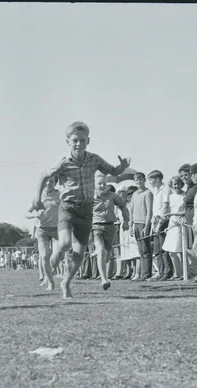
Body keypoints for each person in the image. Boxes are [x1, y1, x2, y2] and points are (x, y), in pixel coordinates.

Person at [33, 121, 131, 298]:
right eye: (75, 140)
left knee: (79, 253)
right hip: (68, 207)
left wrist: (122, 167)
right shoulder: (63, 163)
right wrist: (36, 198)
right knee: (64, 243)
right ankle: (55, 257)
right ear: (68, 142)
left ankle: (66, 282)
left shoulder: (94, 159)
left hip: (86, 210)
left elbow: (113, 171)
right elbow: (43, 175)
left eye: (82, 140)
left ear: (88, 141)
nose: (79, 144)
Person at [91, 172, 129, 289]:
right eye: (99, 184)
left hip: (110, 227)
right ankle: (104, 279)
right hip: (96, 227)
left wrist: (126, 221)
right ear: (94, 185)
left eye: (104, 184)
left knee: (107, 255)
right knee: (101, 250)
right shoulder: (89, 197)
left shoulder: (112, 196)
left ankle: (97, 255)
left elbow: (122, 206)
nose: (102, 186)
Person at [25, 176, 61, 290]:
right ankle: (50, 282)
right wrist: (34, 215)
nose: (48, 183)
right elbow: (26, 212)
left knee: (58, 255)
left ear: (55, 183)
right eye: (46, 181)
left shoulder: (59, 195)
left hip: (56, 229)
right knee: (44, 255)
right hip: (42, 230)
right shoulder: (37, 196)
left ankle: (49, 272)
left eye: (51, 181)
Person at [146, 170, 172, 281]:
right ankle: (160, 272)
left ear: (157, 179)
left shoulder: (165, 189)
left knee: (163, 248)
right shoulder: (156, 191)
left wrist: (160, 222)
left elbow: (165, 206)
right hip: (155, 220)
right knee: (156, 249)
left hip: (163, 220)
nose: (150, 182)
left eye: (151, 179)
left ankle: (167, 271)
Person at [161, 176, 187, 279]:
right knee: (171, 251)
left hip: (180, 223)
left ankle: (184, 273)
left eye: (178, 183)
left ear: (181, 184)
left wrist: (175, 215)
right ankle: (178, 272)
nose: (176, 186)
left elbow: (185, 211)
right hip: (172, 223)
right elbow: (169, 210)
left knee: (179, 250)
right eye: (174, 184)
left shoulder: (185, 195)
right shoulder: (171, 196)